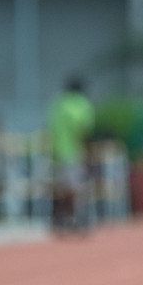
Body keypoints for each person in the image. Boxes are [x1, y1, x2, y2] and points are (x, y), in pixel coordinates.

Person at [48, 77, 96, 233]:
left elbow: (50, 128)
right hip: (75, 151)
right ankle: (79, 219)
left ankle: (61, 218)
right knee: (79, 187)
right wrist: (89, 152)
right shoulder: (80, 104)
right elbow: (84, 129)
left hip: (57, 152)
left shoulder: (58, 104)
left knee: (62, 187)